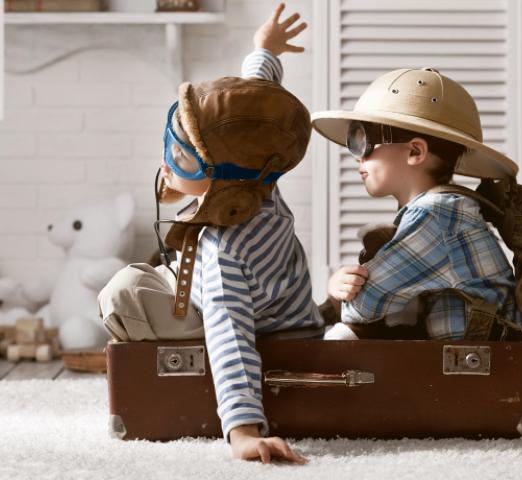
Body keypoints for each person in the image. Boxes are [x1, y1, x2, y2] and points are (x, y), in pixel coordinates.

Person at [99, 4, 319, 465]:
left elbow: (229, 332)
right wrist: (266, 50)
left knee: (123, 291)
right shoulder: (263, 179)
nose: (165, 162)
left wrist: (243, 431)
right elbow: (258, 103)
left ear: (226, 181)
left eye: (181, 158)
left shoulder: (224, 250)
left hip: (258, 324)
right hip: (276, 305)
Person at [312, 68, 519, 340]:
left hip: (482, 374)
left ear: (414, 152)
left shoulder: (437, 214)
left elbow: (363, 307)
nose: (357, 158)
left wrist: (336, 288)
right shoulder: (445, 209)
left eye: (363, 142)